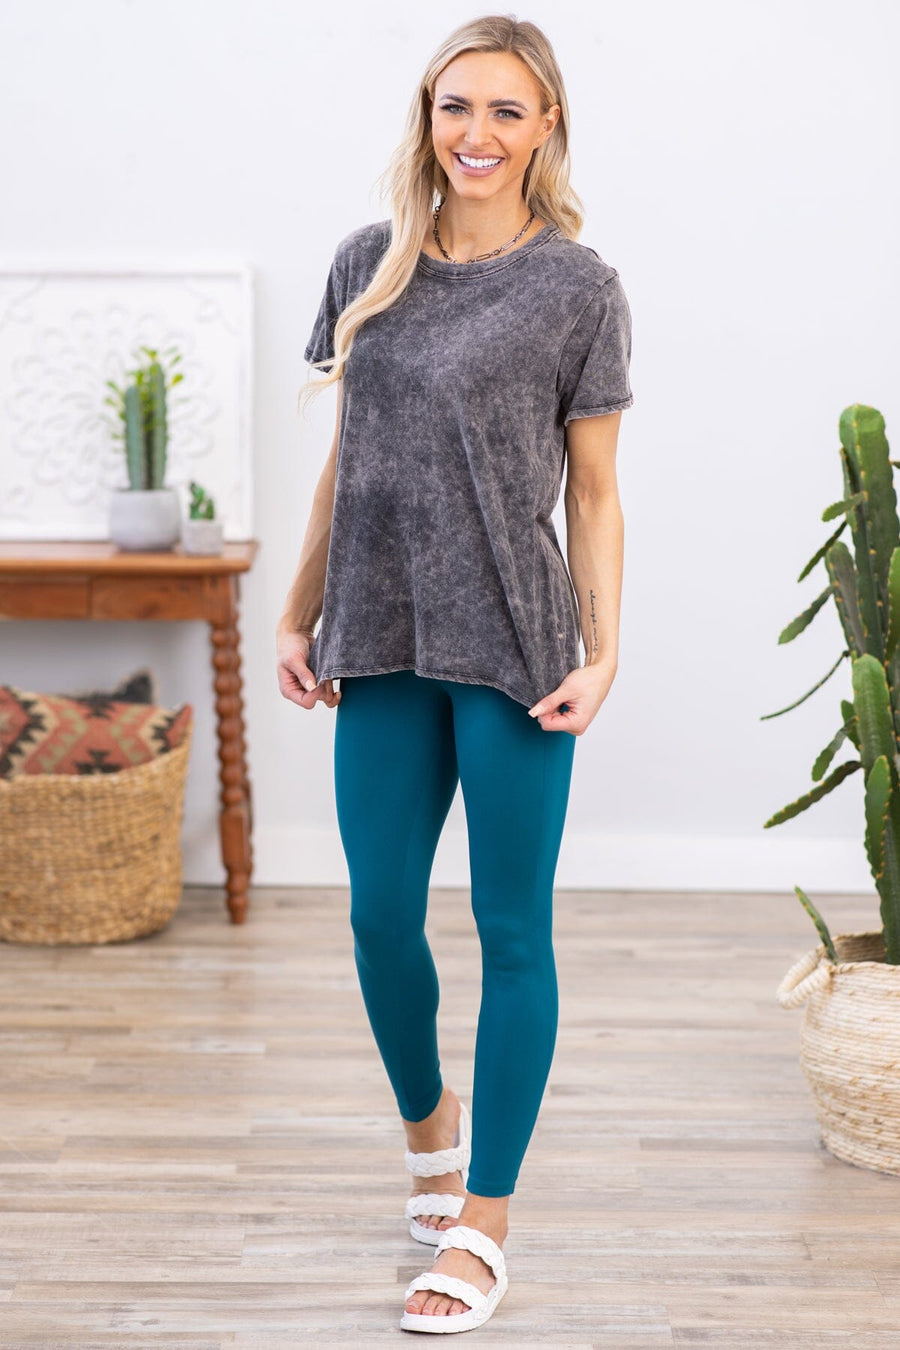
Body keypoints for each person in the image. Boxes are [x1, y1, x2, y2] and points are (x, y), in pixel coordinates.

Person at [276, 13, 633, 1335]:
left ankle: (485, 1222)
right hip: (377, 632)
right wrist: (298, 612)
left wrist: (605, 648)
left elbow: (593, 491)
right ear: (427, 117)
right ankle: (431, 1127)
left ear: (546, 129)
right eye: (455, 107)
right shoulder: (365, 263)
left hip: (515, 646)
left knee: (511, 927)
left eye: (506, 111)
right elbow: (347, 456)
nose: (476, 134)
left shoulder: (578, 288)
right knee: (379, 916)